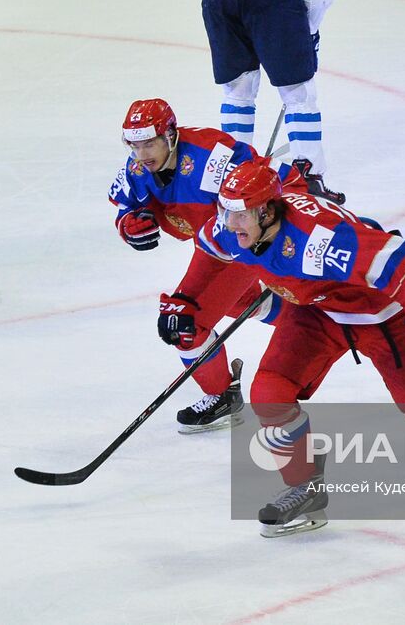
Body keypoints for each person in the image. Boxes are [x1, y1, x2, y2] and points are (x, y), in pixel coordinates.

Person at [160, 158, 405, 537]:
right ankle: (305, 486)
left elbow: (397, 255)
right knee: (270, 393)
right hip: (316, 312)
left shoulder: (318, 241)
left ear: (267, 212)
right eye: (226, 212)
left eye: (239, 215)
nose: (229, 223)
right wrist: (185, 300)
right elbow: (210, 250)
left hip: (377, 315)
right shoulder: (237, 227)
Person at [109, 98, 292, 432]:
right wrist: (128, 225)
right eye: (134, 146)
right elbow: (125, 206)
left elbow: (269, 186)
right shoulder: (137, 168)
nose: (142, 154)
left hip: (244, 242)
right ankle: (309, 320)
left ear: (170, 135)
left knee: (186, 320)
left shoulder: (212, 157)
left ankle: (222, 396)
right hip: (214, 245)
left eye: (149, 143)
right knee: (239, 301)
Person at [201, 0, 350, 205]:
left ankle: (233, 172)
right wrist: (306, 35)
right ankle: (308, 178)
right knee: (299, 92)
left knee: (237, 89)